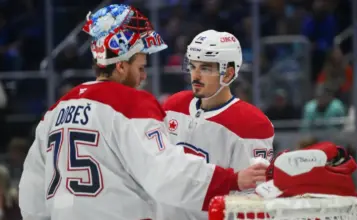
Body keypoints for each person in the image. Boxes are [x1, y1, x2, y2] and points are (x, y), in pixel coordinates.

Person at [18, 5, 266, 220]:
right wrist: (234, 180)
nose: (144, 76)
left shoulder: (53, 113)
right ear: (122, 64)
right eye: (141, 66)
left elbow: (31, 196)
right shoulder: (130, 104)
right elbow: (166, 173)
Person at [160, 30, 274, 220]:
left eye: (205, 68)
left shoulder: (251, 124)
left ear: (228, 73)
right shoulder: (174, 106)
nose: (195, 76)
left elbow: (252, 199)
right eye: (193, 66)